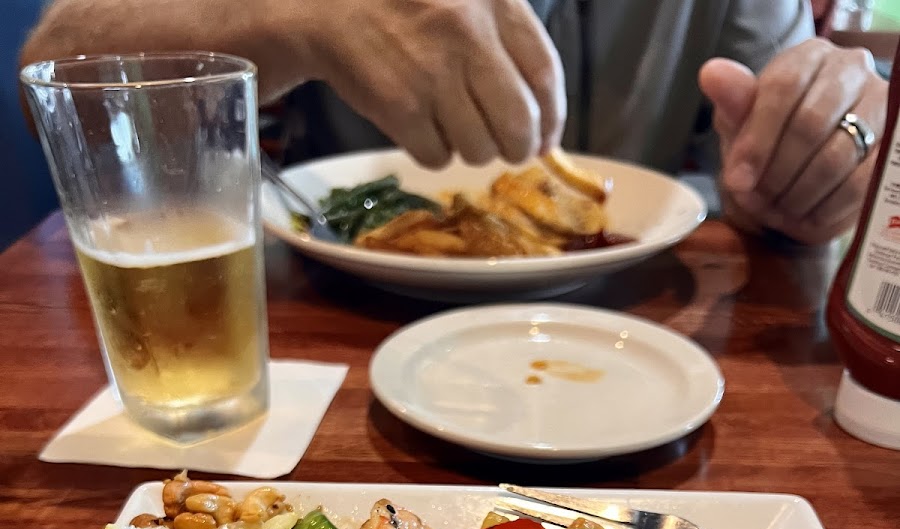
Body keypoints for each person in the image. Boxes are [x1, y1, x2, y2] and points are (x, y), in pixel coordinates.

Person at [20, 0, 886, 244]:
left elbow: (757, 165)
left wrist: (812, 159)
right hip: (341, 341)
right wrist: (304, 15)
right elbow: (53, 64)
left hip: (661, 350)